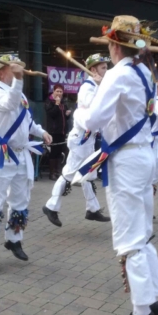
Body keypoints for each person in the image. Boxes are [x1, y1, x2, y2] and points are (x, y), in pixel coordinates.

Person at [74, 15, 158, 315]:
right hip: (143, 155)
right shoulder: (144, 73)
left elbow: (95, 120)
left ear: (114, 45)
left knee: (130, 238)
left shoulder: (119, 74)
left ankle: (142, 312)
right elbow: (149, 114)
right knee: (143, 230)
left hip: (126, 161)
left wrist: (79, 111)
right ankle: (153, 298)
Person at [0, 54, 52, 268]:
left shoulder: (20, 95)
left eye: (19, 69)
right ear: (2, 73)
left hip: (21, 155)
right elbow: (10, 105)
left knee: (20, 201)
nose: (18, 72)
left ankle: (14, 240)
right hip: (1, 155)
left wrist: (42, 132)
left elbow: (27, 122)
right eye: (13, 69)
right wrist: (19, 80)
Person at [43, 53, 111, 227]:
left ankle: (93, 209)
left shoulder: (97, 86)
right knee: (69, 173)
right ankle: (51, 206)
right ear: (93, 69)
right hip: (81, 138)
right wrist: (100, 86)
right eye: (103, 68)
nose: (107, 70)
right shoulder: (87, 87)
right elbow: (94, 110)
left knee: (87, 173)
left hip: (88, 139)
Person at [45, 84, 70, 180]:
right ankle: (52, 173)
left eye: (61, 91)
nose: (59, 93)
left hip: (62, 131)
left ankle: (58, 172)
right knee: (53, 152)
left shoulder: (63, 103)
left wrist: (67, 114)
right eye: (57, 91)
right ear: (53, 92)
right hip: (53, 131)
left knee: (60, 152)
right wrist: (56, 104)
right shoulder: (49, 102)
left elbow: (64, 117)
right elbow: (52, 114)